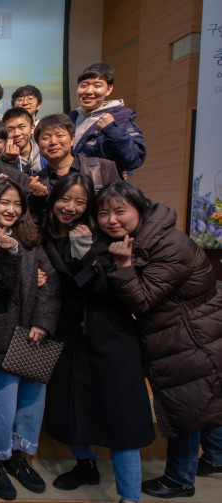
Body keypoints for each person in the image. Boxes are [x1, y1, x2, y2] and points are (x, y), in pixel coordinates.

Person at [97, 182, 222, 498]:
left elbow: (142, 300)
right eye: (103, 213)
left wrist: (123, 266)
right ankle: (216, 459)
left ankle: (180, 479)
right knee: (204, 397)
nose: (111, 220)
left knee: (186, 404)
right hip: (190, 330)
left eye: (120, 211)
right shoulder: (149, 236)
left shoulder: (169, 246)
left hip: (189, 334)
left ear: (140, 208)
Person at [40, 174, 154, 503]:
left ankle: (129, 496)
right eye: (65, 199)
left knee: (121, 418)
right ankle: (85, 464)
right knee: (70, 407)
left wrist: (85, 252)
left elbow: (105, 288)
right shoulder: (46, 233)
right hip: (68, 333)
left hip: (111, 336)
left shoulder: (108, 239)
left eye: (81, 201)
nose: (71, 207)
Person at [0, 177, 60, 502]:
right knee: (1, 401)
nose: (11, 209)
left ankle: (17, 456)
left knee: (31, 401)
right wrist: (9, 255)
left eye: (17, 204)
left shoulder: (31, 238)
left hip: (33, 334)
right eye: (3, 203)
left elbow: (51, 283)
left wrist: (42, 323)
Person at [70, 63, 146, 174]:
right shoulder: (69, 119)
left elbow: (134, 159)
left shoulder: (120, 119)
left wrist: (111, 129)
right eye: (84, 85)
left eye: (97, 86)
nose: (89, 91)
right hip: (70, 184)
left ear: (109, 89)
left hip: (103, 184)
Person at [1, 107, 47, 175]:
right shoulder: (0, 158)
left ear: (32, 128)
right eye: (10, 130)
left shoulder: (45, 153)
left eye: (21, 127)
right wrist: (10, 161)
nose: (17, 134)